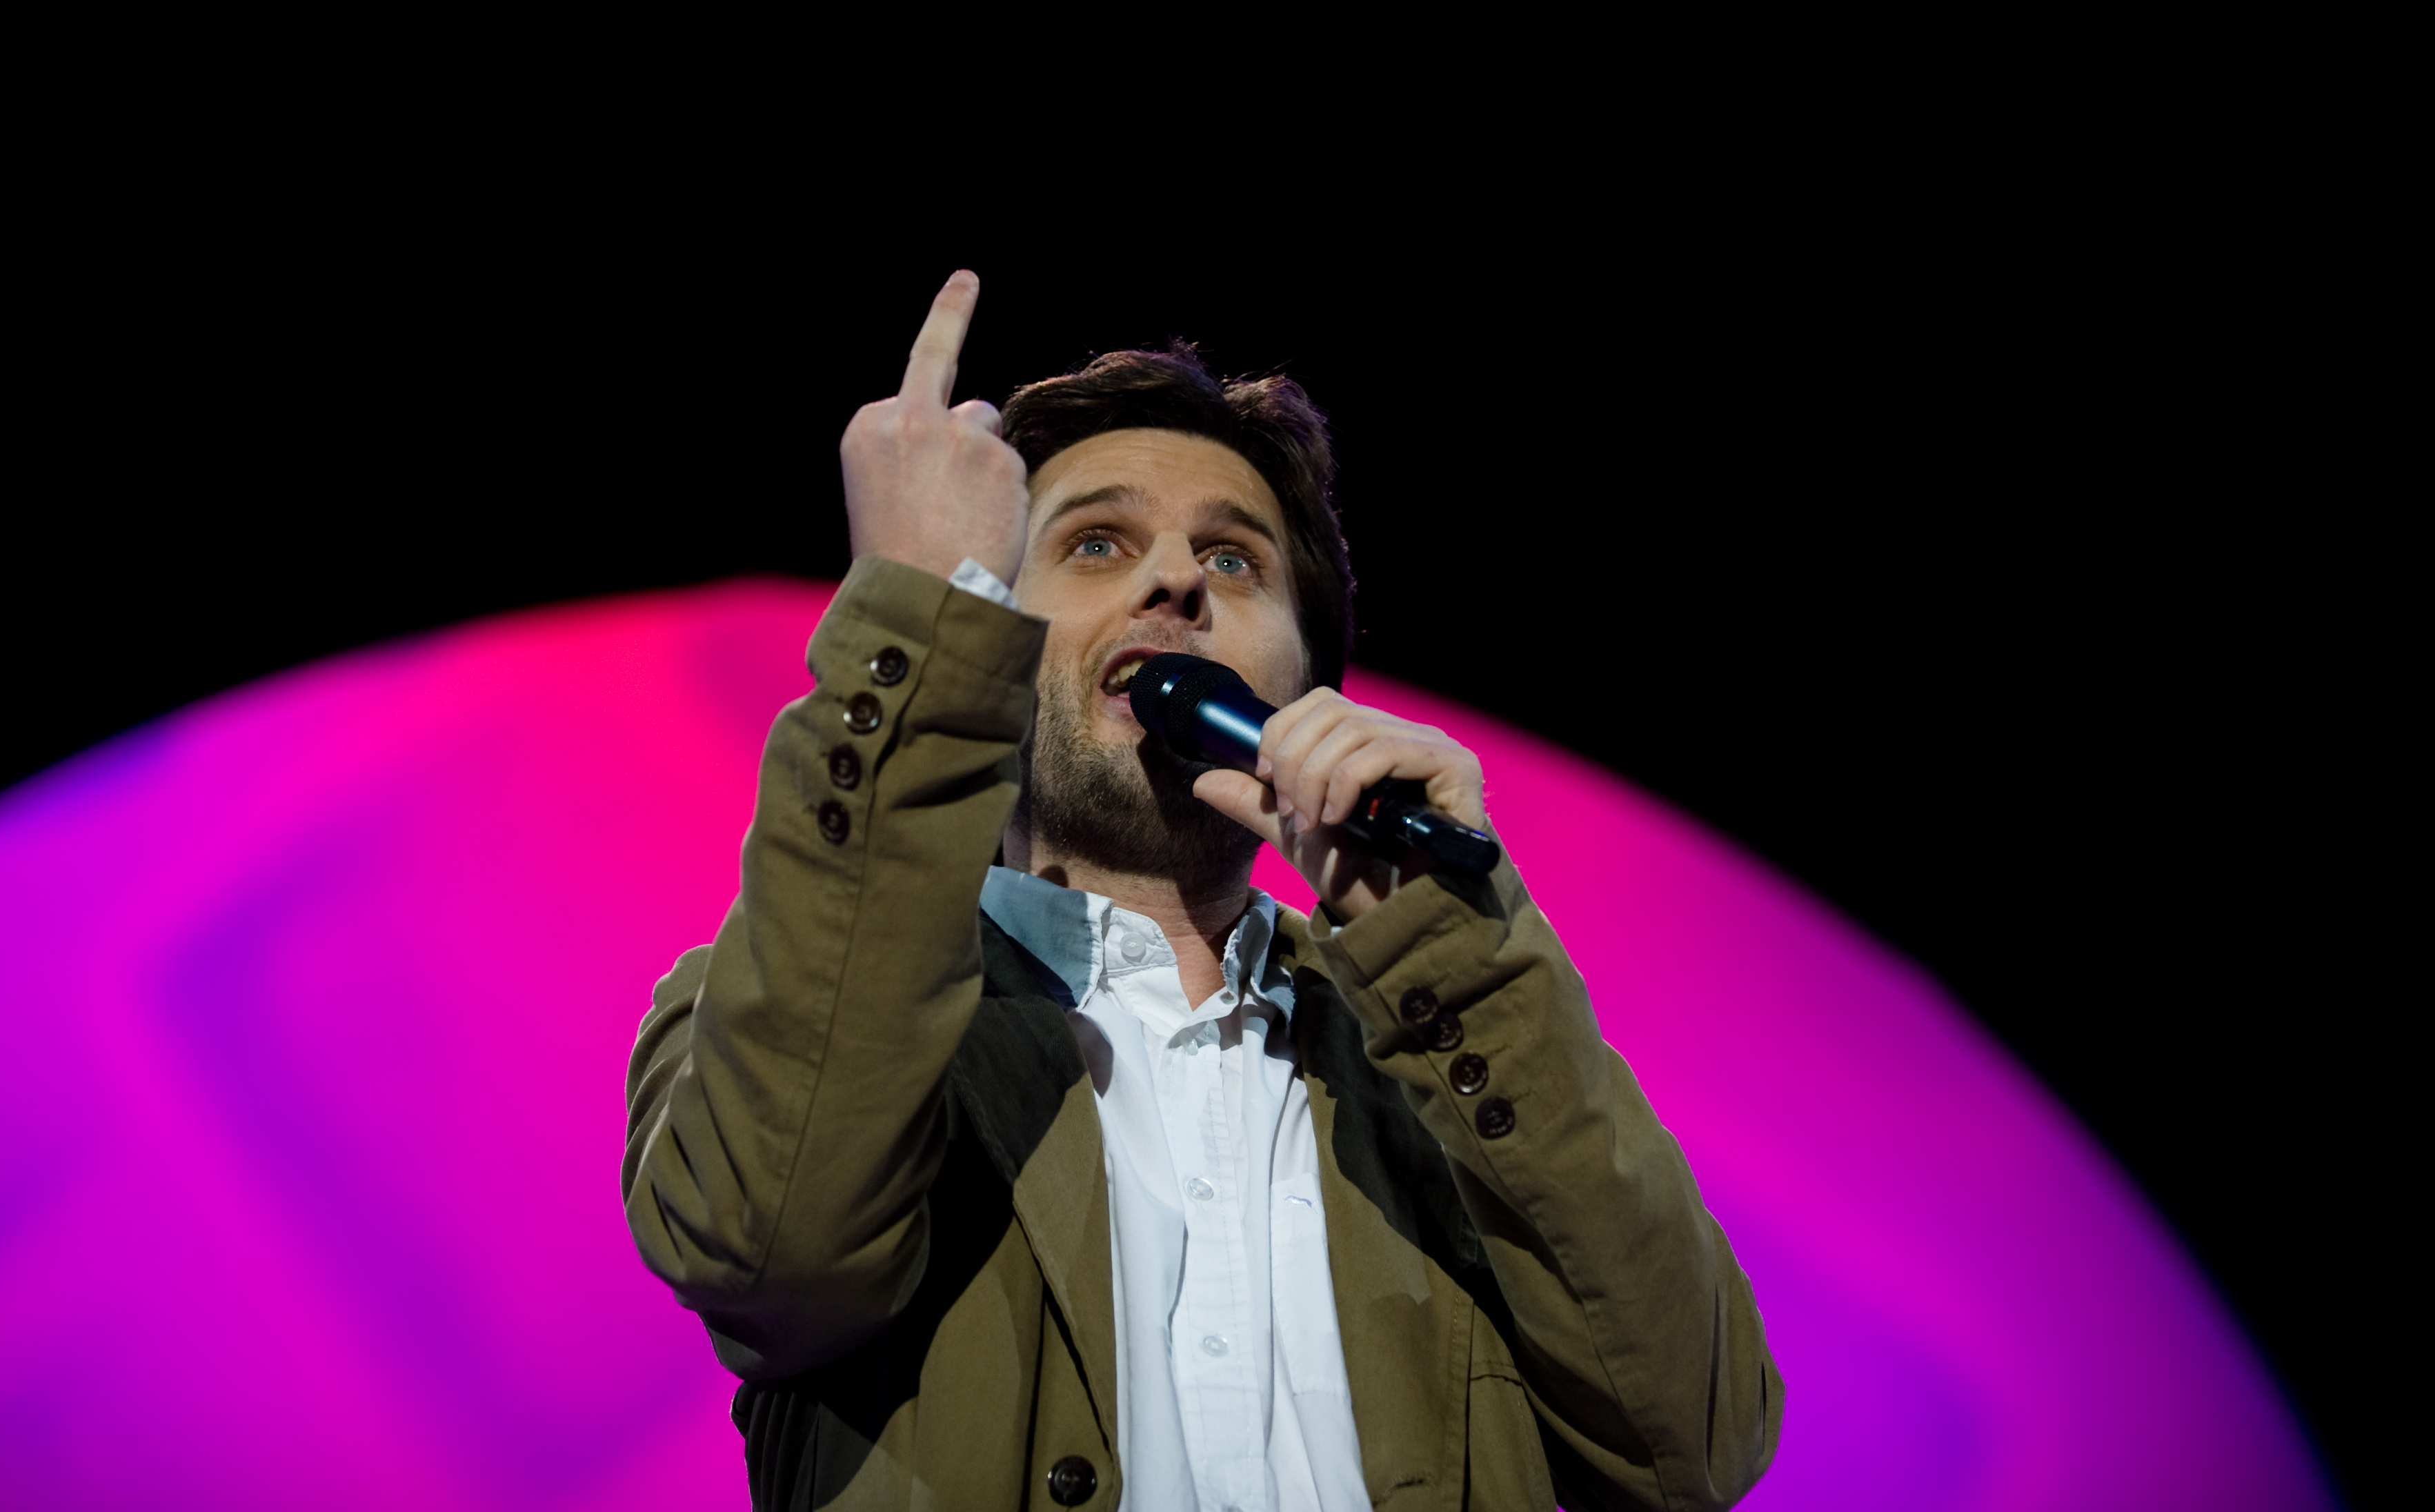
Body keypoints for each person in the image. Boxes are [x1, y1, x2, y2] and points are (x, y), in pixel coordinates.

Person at [624, 272, 1781, 1510]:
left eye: (1234, 559)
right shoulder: (765, 1008)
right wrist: (914, 617)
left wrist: (1453, 944)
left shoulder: (1443, 1058)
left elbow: (1691, 1442)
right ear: (990, 634)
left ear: (1307, 687)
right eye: (1096, 544)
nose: (1177, 580)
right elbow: (771, 1256)